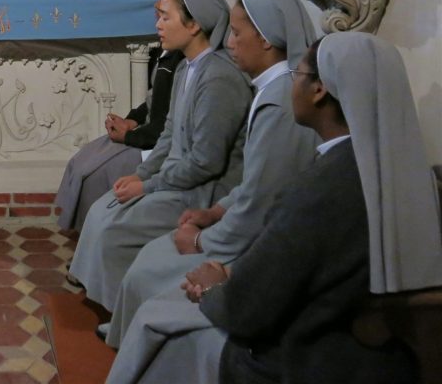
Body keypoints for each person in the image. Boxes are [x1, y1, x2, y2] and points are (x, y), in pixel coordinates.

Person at [109, 32, 442, 384]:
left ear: (319, 90)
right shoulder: (402, 169)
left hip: (305, 356)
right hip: (382, 355)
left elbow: (249, 307)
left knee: (162, 327)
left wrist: (213, 288)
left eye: (297, 76)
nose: (291, 87)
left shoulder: (320, 190)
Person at [104, 0, 319, 348]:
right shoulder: (269, 90)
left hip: (250, 235)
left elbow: (259, 196)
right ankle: (127, 334)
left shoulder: (279, 101)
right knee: (141, 247)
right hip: (225, 209)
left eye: (236, 33)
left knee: (150, 265)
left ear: (266, 40)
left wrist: (204, 238)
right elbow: (255, 182)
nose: (229, 42)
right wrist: (216, 212)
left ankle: (140, 343)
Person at [68, 0, 251, 316]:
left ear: (194, 24)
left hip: (203, 191)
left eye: (165, 17)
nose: (158, 25)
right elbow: (168, 134)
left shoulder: (219, 78)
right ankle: (110, 300)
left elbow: (206, 162)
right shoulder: (185, 67)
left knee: (115, 230)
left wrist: (148, 186)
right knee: (103, 207)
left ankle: (122, 314)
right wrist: (140, 175)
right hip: (176, 179)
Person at [55, 0, 198, 232]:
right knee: (83, 159)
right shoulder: (171, 50)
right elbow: (154, 98)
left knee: (95, 175)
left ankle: (96, 246)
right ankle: (85, 241)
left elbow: (168, 127)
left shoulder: (186, 61)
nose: (157, 14)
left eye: (166, 11)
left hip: (152, 145)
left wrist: (130, 137)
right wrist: (132, 119)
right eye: (159, 4)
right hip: (145, 134)